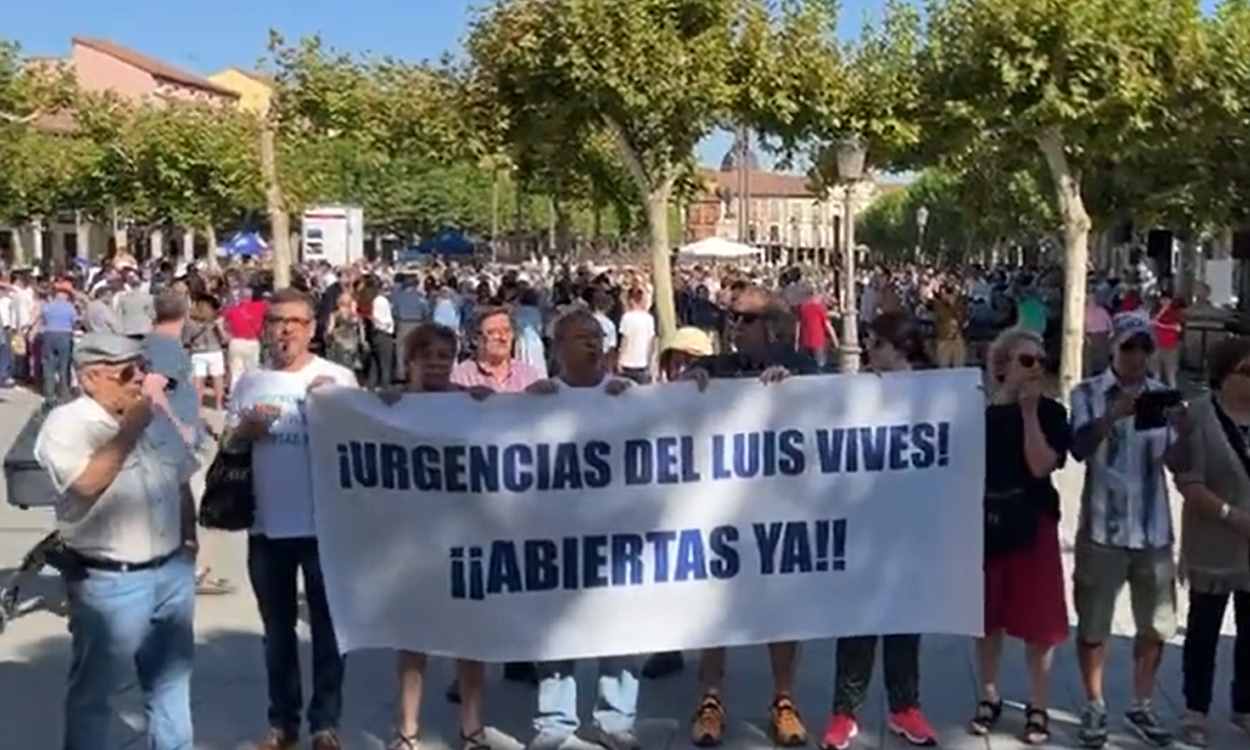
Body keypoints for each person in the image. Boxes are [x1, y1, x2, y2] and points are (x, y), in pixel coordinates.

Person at [35, 333, 198, 750]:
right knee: (95, 694)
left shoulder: (151, 415)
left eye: (141, 369)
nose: (138, 380)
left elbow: (180, 480)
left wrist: (189, 544)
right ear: (91, 378)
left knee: (171, 687)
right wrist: (128, 432)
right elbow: (86, 484)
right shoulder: (67, 424)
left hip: (171, 573)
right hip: (111, 583)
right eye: (127, 372)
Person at [682, 285, 818, 748]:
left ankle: (783, 701)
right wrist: (689, 387)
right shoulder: (714, 368)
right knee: (713, 611)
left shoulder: (801, 368)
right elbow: (675, 412)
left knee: (779, 612)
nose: (733, 326)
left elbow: (827, 415)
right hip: (720, 513)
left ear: (773, 327)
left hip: (779, 511)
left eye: (744, 319)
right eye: (731, 318)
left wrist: (794, 391)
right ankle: (711, 700)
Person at [227, 288, 358, 750]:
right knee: (277, 633)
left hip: (326, 527)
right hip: (266, 526)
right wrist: (244, 432)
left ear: (313, 329)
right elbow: (229, 449)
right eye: (277, 321)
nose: (285, 330)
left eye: (296, 322)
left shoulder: (338, 377)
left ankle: (326, 723)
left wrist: (337, 411)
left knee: (328, 630)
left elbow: (362, 444)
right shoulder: (250, 382)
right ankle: (282, 722)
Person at [525, 309, 639, 750]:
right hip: (559, 533)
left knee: (622, 624)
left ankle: (616, 719)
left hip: (617, 531)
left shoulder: (626, 392)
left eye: (597, 336)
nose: (593, 344)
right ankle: (554, 722)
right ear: (558, 349)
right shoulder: (540, 397)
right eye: (581, 338)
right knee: (556, 626)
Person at [822, 313, 936, 750]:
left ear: (901, 348)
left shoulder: (940, 393)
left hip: (913, 529)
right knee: (857, 623)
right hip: (864, 527)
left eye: (876, 343)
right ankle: (844, 713)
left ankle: (905, 708)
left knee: (906, 622)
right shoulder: (858, 391)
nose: (868, 350)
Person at [380, 323, 493, 750]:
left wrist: (493, 407)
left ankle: (472, 726)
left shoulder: (470, 403)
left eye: (445, 356)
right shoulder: (391, 405)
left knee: (470, 639)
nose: (436, 363)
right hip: (412, 544)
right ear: (411, 360)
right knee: (414, 640)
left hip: (465, 536)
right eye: (427, 355)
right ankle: (407, 728)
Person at [1069, 311, 1179, 749]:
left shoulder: (1163, 397)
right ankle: (1094, 704)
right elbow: (1077, 450)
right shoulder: (1087, 393)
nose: (1136, 357)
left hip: (1153, 532)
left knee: (1155, 624)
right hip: (1103, 529)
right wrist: (1110, 417)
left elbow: (1180, 463)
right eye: (1129, 347)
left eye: (1144, 348)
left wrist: (1184, 432)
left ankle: (1142, 703)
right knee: (1093, 624)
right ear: (1113, 347)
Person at [967, 329, 1070, 746]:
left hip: (1033, 521)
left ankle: (1038, 703)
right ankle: (989, 696)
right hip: (987, 523)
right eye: (1027, 361)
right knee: (986, 618)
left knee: (1040, 623)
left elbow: (1042, 464)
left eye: (1041, 362)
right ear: (1003, 365)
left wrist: (1029, 414)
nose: (1036, 369)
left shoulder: (1052, 412)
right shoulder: (978, 412)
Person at [1171, 337, 1250, 746]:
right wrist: (1231, 516)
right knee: (1203, 631)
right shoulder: (1196, 416)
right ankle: (1195, 710)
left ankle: (1245, 707)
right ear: (1224, 375)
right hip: (1212, 544)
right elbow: (1187, 481)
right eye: (1245, 371)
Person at [451, 306, 544, 393]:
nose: (503, 338)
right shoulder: (461, 377)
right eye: (493, 333)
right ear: (475, 339)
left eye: (507, 331)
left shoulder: (528, 375)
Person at [184, 294, 227, 411]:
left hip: (197, 352)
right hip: (215, 351)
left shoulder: (190, 322)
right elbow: (223, 339)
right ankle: (219, 404)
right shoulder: (215, 321)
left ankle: (198, 406)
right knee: (218, 379)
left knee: (198, 380)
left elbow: (186, 339)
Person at [222, 286, 266, 394]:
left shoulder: (233, 310)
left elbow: (221, 320)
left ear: (240, 297)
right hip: (252, 342)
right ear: (251, 297)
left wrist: (225, 334)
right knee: (252, 372)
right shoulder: (260, 307)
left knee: (236, 372)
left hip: (236, 342)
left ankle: (234, 396)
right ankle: (251, 395)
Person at [39, 282, 78, 404]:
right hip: (65, 335)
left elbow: (43, 320)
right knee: (64, 365)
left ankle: (49, 394)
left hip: (49, 334)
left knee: (48, 365)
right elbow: (75, 322)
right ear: (66, 295)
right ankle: (64, 394)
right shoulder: (70, 307)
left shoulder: (47, 306)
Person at [390, 273, 430, 385]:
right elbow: (426, 311)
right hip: (417, 323)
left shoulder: (398, 297)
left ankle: (401, 374)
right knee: (416, 350)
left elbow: (394, 312)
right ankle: (416, 373)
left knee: (401, 349)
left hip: (403, 323)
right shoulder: (420, 297)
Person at [617, 287, 657, 384]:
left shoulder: (626, 317)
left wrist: (619, 358)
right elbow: (652, 341)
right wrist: (651, 361)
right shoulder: (649, 318)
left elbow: (624, 340)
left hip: (627, 361)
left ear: (631, 301)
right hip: (643, 361)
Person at [363, 279, 396, 388]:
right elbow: (381, 319)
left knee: (375, 364)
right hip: (383, 333)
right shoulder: (381, 300)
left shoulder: (374, 300)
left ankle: (371, 386)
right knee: (385, 364)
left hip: (377, 334)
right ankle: (385, 388)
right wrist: (386, 326)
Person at [795, 284, 837, 370]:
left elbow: (798, 325)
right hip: (818, 341)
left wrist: (796, 342)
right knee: (820, 366)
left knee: (806, 367)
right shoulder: (820, 308)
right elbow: (828, 326)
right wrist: (835, 341)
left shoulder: (802, 307)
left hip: (805, 341)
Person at [325, 291, 364, 375]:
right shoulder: (355, 316)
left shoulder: (335, 315)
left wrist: (327, 338)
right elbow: (360, 330)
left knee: (338, 368)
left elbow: (330, 330)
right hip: (352, 344)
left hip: (338, 344)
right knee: (349, 368)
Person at [514, 287, 549, 378]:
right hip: (535, 341)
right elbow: (540, 328)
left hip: (522, 341)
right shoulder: (537, 312)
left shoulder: (517, 311)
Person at [1152, 290, 1183, 388]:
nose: (1165, 301)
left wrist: (1160, 325)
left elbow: (1178, 328)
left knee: (1171, 373)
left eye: (1167, 299)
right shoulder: (1156, 311)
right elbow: (1153, 323)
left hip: (1171, 346)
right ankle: (1155, 393)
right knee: (1156, 373)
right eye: (1163, 299)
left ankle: (1172, 392)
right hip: (1157, 344)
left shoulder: (1176, 312)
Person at [932, 284, 967, 368]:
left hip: (957, 338)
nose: (945, 296)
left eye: (947, 293)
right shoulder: (937, 305)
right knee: (943, 367)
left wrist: (954, 305)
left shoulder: (959, 305)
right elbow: (943, 316)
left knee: (959, 367)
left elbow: (962, 319)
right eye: (942, 293)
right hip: (944, 338)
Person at [115, 271, 155, 340]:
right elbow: (152, 314)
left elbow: (118, 314)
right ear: (140, 285)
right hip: (144, 329)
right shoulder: (149, 298)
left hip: (128, 329)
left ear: (130, 286)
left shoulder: (123, 298)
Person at [1084, 293, 1114, 378]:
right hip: (1102, 335)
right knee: (1102, 357)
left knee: (1090, 359)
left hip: (1091, 336)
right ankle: (1104, 376)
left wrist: (1085, 336)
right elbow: (1110, 323)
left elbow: (1082, 325)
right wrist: (1110, 334)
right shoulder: (1102, 310)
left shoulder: (1084, 311)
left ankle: (1089, 376)